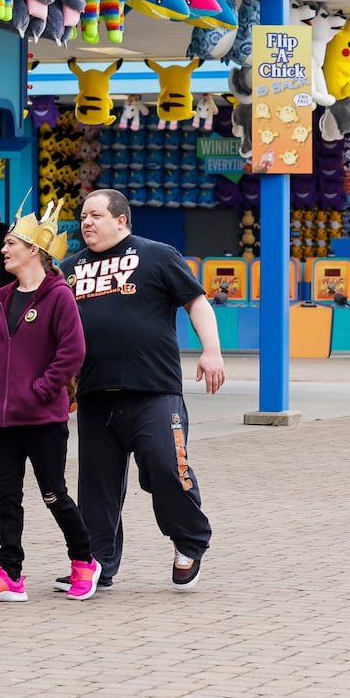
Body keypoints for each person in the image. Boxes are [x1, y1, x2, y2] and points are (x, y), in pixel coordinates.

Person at [60, 189, 225, 592]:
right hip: (96, 396)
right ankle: (97, 562)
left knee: (168, 467)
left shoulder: (157, 255)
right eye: (83, 216)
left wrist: (212, 352)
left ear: (121, 220)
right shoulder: (68, 269)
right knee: (96, 487)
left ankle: (188, 541)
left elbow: (196, 302)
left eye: (96, 215)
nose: (87, 223)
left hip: (154, 390)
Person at [0, 200, 100, 603]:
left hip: (43, 419)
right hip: (2, 421)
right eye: (4, 244)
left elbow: (72, 352)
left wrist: (41, 390)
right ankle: (9, 574)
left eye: (10, 244)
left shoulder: (59, 296)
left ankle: (83, 562)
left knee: (53, 492)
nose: (3, 250)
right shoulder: (2, 298)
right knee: (7, 498)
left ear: (33, 250)